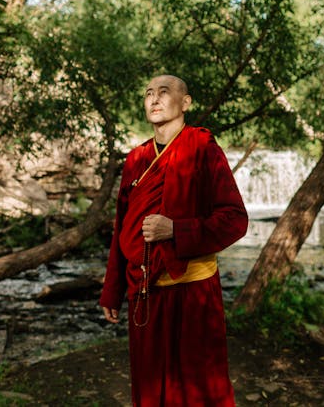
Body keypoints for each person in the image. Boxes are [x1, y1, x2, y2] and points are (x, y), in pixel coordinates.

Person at [99, 75, 248, 406]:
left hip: (193, 291)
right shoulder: (136, 159)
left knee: (198, 387)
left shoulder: (203, 149)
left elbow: (235, 220)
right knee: (151, 387)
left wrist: (177, 231)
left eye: (163, 93)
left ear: (185, 102)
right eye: (149, 93)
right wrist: (112, 289)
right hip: (145, 292)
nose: (154, 99)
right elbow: (122, 226)